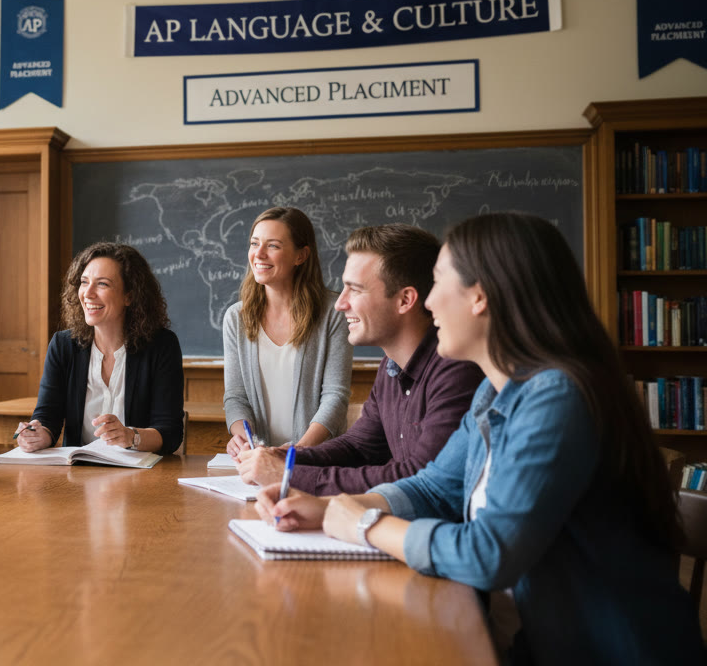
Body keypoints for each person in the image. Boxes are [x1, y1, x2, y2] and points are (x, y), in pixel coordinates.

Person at [254, 213, 705, 664]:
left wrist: (363, 525)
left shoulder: (557, 397)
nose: (427, 303)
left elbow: (490, 553)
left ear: (480, 298)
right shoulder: (496, 391)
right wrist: (328, 508)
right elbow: (434, 486)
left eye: (436, 283)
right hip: (530, 642)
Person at [238, 224, 483, 494]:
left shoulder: (457, 370)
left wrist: (287, 475)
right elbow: (357, 447)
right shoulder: (391, 367)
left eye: (354, 289)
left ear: (405, 300)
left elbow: (419, 476)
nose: (340, 303)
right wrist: (284, 458)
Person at [16, 242, 184, 454]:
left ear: (129, 296)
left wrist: (131, 436)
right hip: (77, 477)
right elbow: (48, 416)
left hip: (141, 477)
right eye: (84, 282)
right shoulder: (63, 345)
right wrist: (36, 435)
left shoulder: (162, 346)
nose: (88, 293)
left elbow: (170, 433)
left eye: (102, 284)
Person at [224, 206, 351, 459]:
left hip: (317, 459)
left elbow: (335, 397)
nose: (258, 254)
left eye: (273, 246)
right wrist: (244, 441)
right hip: (258, 460)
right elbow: (236, 397)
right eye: (254, 243)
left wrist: (298, 452)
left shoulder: (333, 313)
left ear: (301, 256)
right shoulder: (236, 317)